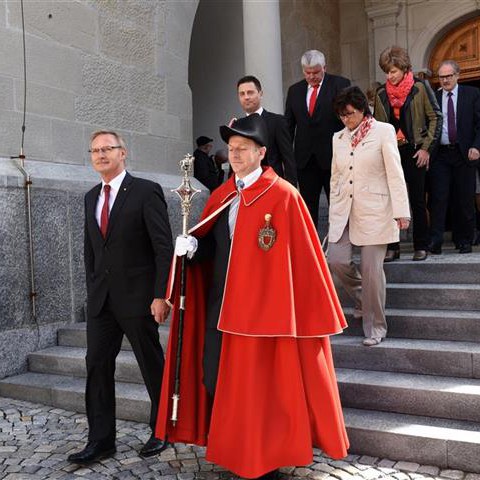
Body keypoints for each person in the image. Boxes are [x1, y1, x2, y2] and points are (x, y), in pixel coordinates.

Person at [155, 114, 349, 479]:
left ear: (262, 152)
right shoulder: (222, 195)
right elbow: (213, 248)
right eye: (231, 149)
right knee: (215, 380)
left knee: (262, 391)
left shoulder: (285, 196)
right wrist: (192, 248)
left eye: (243, 149)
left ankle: (266, 461)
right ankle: (233, 448)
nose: (236, 155)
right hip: (220, 308)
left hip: (266, 317)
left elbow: (303, 263)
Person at [68, 131, 173, 464]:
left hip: (139, 298)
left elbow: (163, 248)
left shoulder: (145, 191)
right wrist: (91, 291)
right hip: (101, 302)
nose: (100, 155)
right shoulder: (89, 197)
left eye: (107, 149)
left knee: (151, 365)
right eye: (95, 150)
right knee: (97, 366)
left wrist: (161, 295)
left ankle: (162, 431)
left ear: (123, 153)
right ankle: (101, 440)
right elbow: (91, 252)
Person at [328, 86, 410, 347]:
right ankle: (365, 300)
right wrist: (333, 213)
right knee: (337, 261)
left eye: (350, 114)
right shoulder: (337, 138)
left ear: (363, 110)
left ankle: (376, 327)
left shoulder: (384, 131)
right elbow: (335, 177)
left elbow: (395, 174)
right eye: (341, 115)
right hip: (344, 210)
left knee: (372, 271)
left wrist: (401, 211)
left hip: (377, 210)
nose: (346, 119)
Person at [374, 45, 442, 262]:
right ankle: (393, 248)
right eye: (387, 71)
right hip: (391, 154)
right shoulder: (381, 93)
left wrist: (426, 149)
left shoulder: (420, 87)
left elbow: (436, 118)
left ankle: (420, 246)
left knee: (417, 200)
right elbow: (377, 126)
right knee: (392, 202)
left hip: (414, 152)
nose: (389, 76)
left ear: (404, 69)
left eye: (393, 71)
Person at [285, 49, 351, 227]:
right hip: (305, 161)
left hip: (334, 158)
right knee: (307, 208)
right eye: (308, 73)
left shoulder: (340, 85)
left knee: (337, 206)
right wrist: (287, 158)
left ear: (324, 68)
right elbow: (289, 127)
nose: (312, 76)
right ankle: (311, 248)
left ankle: (339, 247)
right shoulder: (294, 91)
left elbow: (350, 121)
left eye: (316, 72)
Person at [428, 60, 480, 255]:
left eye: (449, 76)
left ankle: (465, 240)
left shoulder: (472, 94)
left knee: (465, 199)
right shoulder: (433, 96)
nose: (445, 80)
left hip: (464, 153)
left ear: (457, 75)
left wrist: (476, 146)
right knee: (439, 198)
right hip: (440, 155)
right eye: (442, 77)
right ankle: (436, 241)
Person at [237, 75, 297, 186]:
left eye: (250, 92)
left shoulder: (277, 121)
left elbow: (288, 159)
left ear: (260, 94)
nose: (246, 97)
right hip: (245, 188)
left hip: (272, 186)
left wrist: (290, 189)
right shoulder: (237, 125)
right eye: (242, 94)